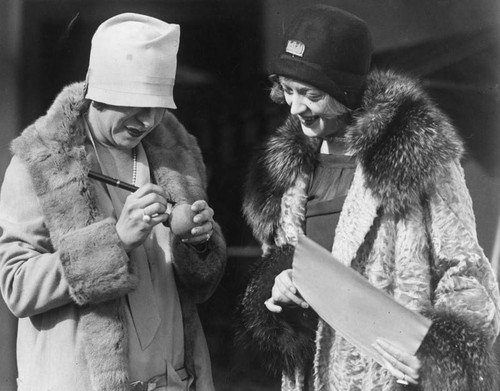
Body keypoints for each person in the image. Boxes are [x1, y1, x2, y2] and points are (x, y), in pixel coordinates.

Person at [238, 5, 500, 391]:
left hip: (388, 381)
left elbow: (466, 276)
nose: (295, 108)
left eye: (311, 94)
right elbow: (278, 259)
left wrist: (433, 358)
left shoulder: (416, 157)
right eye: (288, 90)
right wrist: (277, 288)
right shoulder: (287, 170)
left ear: (346, 91)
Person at [0, 13, 226, 391]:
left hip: (176, 381)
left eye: (158, 107)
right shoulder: (42, 162)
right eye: (135, 105)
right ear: (96, 92)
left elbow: (201, 287)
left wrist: (200, 242)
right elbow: (16, 285)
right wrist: (115, 242)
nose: (149, 120)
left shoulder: (175, 155)